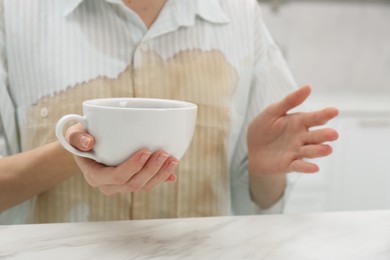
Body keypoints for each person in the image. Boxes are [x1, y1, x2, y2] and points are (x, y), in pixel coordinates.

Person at [0, 0, 338, 224]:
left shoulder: (239, 13)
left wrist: (264, 169)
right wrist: (80, 153)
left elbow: (257, 207)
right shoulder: (14, 13)